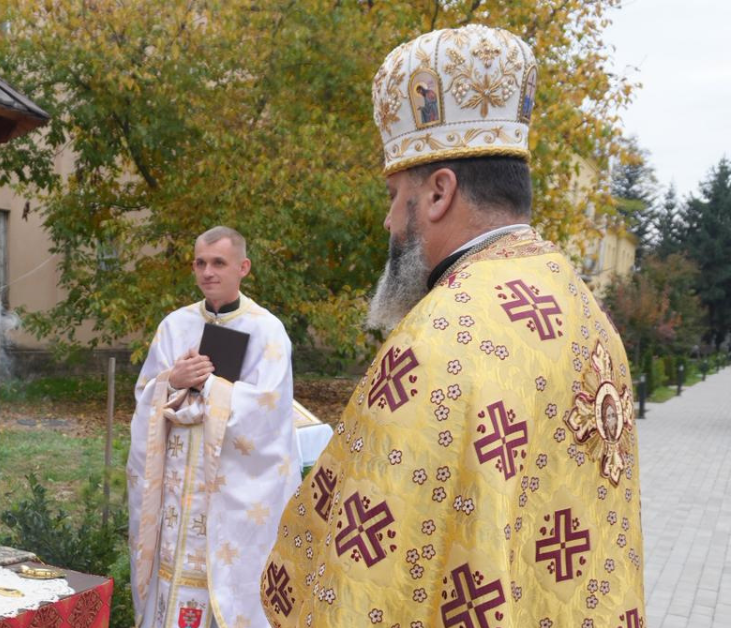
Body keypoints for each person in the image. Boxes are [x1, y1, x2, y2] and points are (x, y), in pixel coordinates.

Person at [261, 25, 645, 628]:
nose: (390, 220)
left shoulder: (436, 343)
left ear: (439, 192)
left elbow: (358, 585)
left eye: (394, 195)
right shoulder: (585, 312)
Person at [128, 226, 301, 628]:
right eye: (200, 263)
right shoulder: (174, 325)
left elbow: (269, 411)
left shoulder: (266, 331)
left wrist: (208, 385)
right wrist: (173, 379)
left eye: (218, 263)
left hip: (226, 489)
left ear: (243, 267)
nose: (208, 272)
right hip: (176, 488)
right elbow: (145, 395)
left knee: (220, 585)